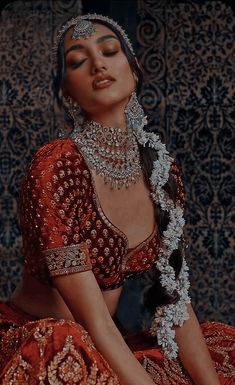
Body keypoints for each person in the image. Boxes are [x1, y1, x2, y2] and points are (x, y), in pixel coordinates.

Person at [0, 13, 234, 385]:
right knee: (65, 340)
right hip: (44, 339)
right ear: (65, 90)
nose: (98, 64)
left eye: (110, 51)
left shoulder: (161, 170)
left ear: (134, 69)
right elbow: (92, 322)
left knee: (224, 349)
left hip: (106, 341)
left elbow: (175, 303)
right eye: (78, 60)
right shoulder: (56, 166)